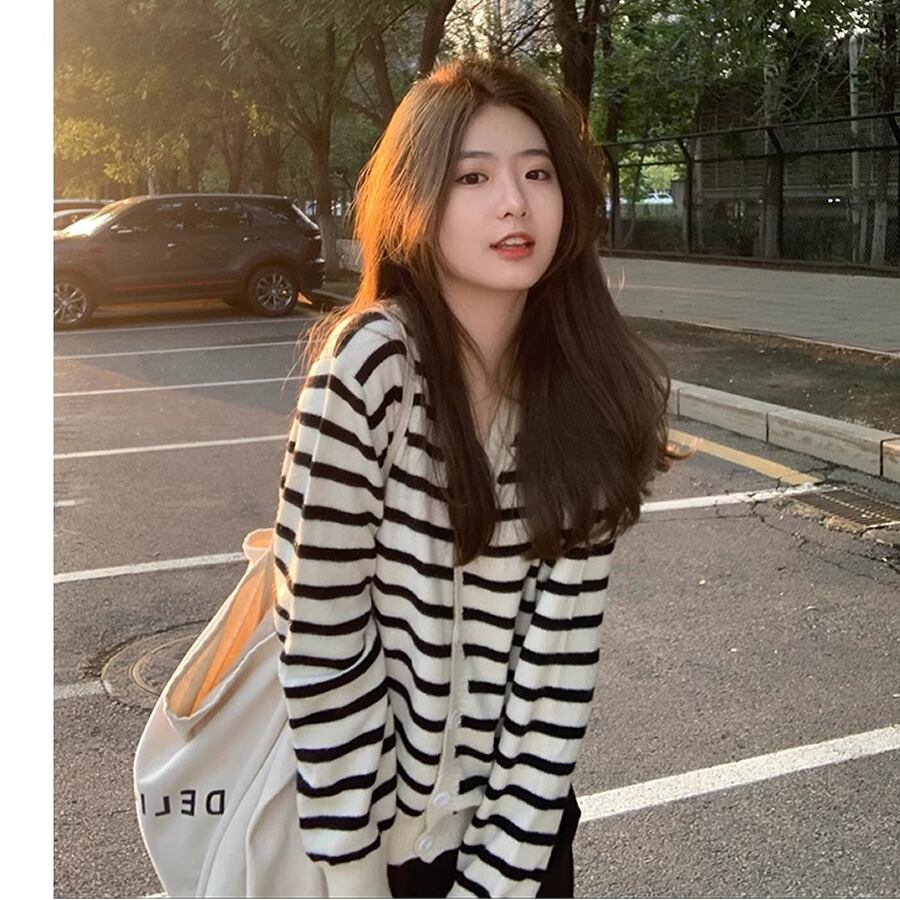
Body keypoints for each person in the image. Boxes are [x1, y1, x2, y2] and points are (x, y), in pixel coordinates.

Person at [272, 56, 684, 899]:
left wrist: (499, 877)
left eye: (537, 173)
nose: (514, 202)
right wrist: (356, 879)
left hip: (521, 834)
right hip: (371, 848)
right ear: (416, 199)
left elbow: (557, 666)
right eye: (473, 176)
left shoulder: (583, 389)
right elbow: (321, 635)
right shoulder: (371, 366)